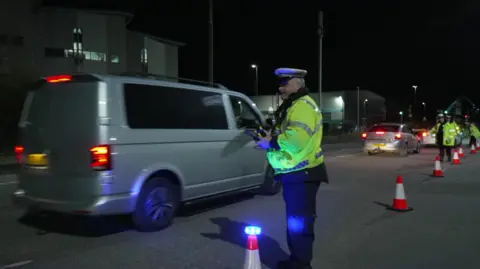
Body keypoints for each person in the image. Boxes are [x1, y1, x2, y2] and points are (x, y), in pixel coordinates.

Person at [255, 67, 328, 269]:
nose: (281, 88)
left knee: (299, 223)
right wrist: (268, 136)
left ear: (297, 83)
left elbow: (295, 139)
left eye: (284, 83)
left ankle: (301, 264)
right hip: (298, 173)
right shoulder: (295, 105)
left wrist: (270, 142)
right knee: (296, 221)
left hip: (302, 173)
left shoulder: (302, 106)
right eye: (280, 84)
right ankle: (297, 260)